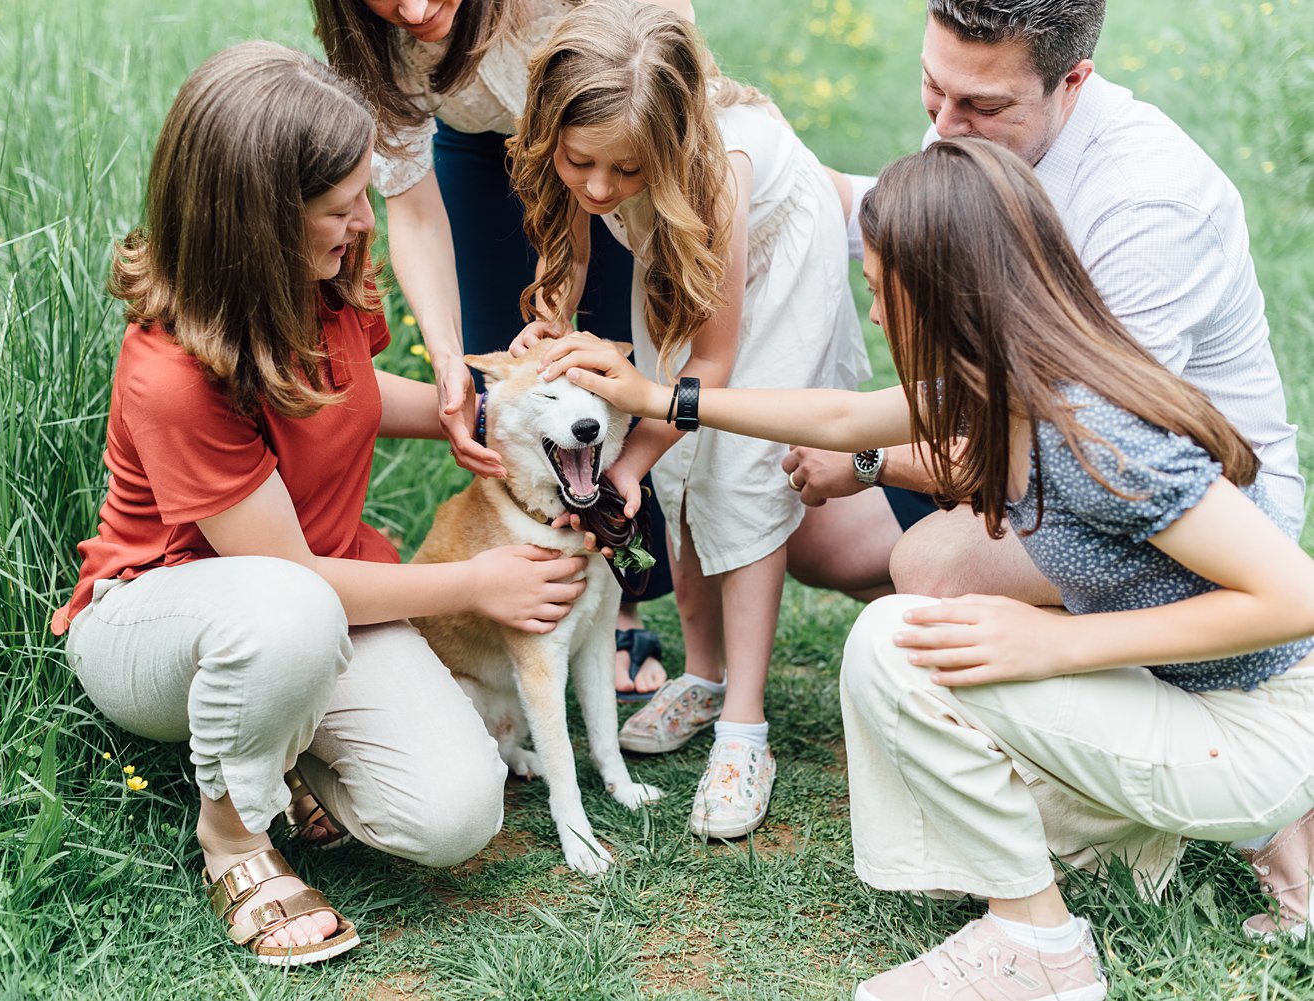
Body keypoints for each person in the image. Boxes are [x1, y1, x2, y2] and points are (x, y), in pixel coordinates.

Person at [537, 136, 1314, 1001]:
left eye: (879, 291)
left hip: (1254, 729)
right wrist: (658, 396)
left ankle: (1039, 950)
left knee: (895, 646)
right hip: (1187, 701)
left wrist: (1054, 646)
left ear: (945, 295)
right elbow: (841, 415)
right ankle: (1122, 846)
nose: (873, 318)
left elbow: (1298, 597)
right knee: (933, 635)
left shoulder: (1099, 432)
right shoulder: (1011, 383)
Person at [51, 42, 590, 966]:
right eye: (338, 205)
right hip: (165, 621)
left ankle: (283, 745)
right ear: (257, 223)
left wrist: (493, 411)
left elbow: (349, 390)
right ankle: (233, 836)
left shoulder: (322, 278)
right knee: (289, 613)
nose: (361, 220)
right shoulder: (173, 375)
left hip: (313, 609)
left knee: (457, 811)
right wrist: (477, 582)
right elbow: (288, 578)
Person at [785, 0, 1305, 604]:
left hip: (1180, 509)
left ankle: (1124, 660)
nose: (946, 127)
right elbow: (907, 228)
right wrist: (777, 172)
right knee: (819, 536)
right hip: (1021, 431)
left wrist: (870, 461)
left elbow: (1078, 454)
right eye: (933, 86)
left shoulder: (1150, 213)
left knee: (937, 566)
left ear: (1073, 81)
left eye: (985, 105)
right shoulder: (981, 119)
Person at [507, 0, 870, 838]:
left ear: (666, 150)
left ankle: (746, 727)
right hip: (669, 243)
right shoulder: (597, 151)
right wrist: (553, 320)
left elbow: (712, 371)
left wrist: (625, 460)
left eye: (623, 171)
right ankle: (703, 676)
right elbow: (573, 241)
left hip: (769, 262)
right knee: (676, 470)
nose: (598, 188)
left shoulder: (718, 174)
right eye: (579, 162)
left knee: (738, 466)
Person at [311, 0, 690, 700]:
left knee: (607, 357)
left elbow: (661, 36)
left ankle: (621, 601)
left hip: (605, 129)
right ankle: (530, 593)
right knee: (514, 370)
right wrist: (448, 353)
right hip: (476, 137)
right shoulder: (371, 44)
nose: (417, 10)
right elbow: (416, 213)